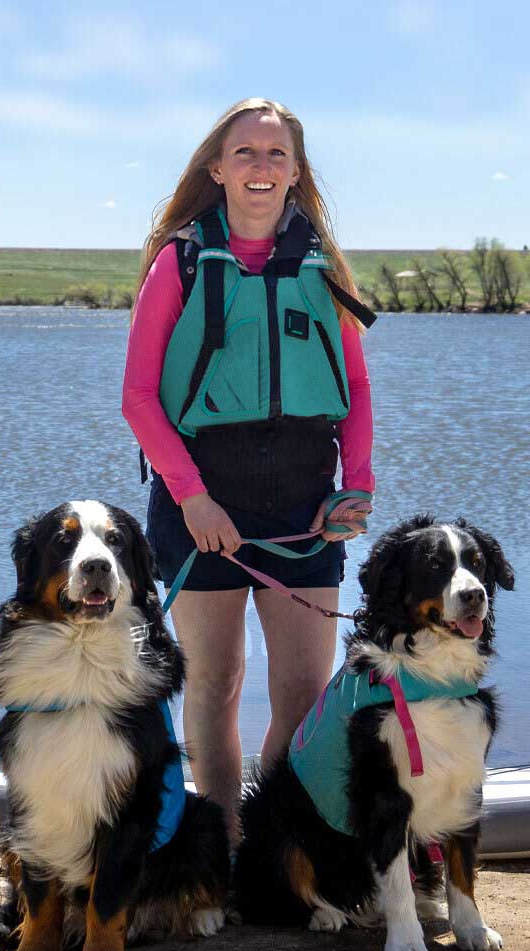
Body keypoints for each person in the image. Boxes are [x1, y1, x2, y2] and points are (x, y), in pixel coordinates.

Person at [121, 97, 376, 840]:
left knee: (301, 689)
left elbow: (354, 388)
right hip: (202, 492)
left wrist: (354, 483)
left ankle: (269, 834)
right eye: (245, 154)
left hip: (304, 498)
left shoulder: (322, 269)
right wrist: (194, 499)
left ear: (296, 173)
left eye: (275, 156)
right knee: (215, 684)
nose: (261, 168)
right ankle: (223, 840)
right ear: (217, 168)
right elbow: (139, 397)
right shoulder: (182, 259)